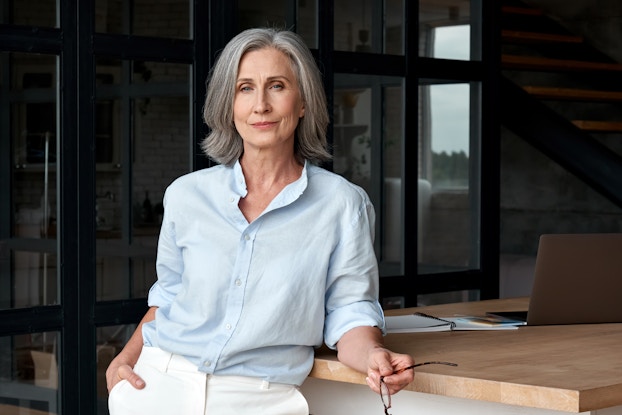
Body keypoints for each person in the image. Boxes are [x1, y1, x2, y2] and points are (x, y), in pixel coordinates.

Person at [106, 27, 415, 414]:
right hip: (159, 385)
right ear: (229, 104)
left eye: (277, 86)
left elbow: (350, 310)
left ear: (303, 102)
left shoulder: (342, 204)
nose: (261, 106)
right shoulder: (186, 195)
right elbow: (168, 297)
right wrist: (125, 358)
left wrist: (374, 354)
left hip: (261, 397)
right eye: (245, 88)